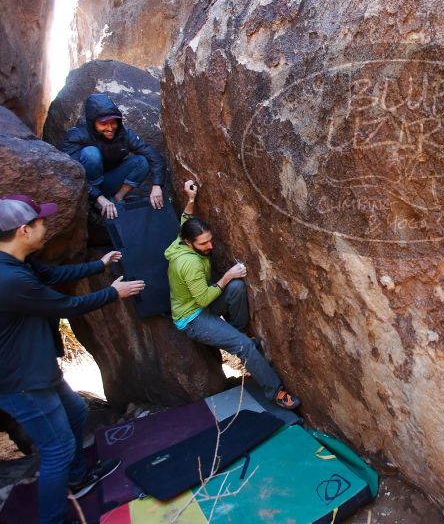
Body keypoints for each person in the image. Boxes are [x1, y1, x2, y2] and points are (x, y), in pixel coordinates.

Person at [0, 194, 146, 524]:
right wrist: (114, 292)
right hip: (21, 381)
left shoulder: (18, 262)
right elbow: (65, 307)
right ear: (23, 231)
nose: (45, 225)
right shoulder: (9, 280)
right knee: (57, 449)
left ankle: (79, 478)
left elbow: (51, 276)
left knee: (77, 411)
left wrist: (100, 264)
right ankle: (53, 518)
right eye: (40, 222)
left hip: (37, 369)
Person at [165, 180, 300, 409]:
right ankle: (276, 392)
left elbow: (186, 221)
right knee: (244, 346)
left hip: (201, 301)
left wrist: (190, 199)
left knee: (236, 289)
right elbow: (203, 300)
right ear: (190, 244)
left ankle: (236, 332)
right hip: (193, 318)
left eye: (210, 239)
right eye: (204, 243)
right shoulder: (188, 264)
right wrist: (227, 275)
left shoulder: (182, 240)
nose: (210, 246)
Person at [59, 93, 166, 220]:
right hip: (86, 185)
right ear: (93, 123)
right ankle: (98, 202)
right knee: (91, 153)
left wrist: (157, 186)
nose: (110, 128)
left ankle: (117, 200)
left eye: (113, 122)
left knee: (142, 162)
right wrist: (99, 197)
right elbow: (71, 174)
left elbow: (154, 156)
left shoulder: (124, 134)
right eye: (104, 124)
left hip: (109, 181)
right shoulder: (77, 135)